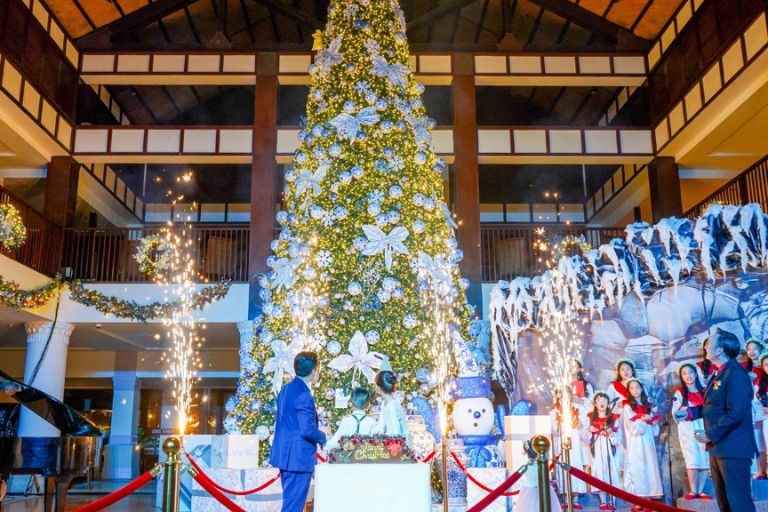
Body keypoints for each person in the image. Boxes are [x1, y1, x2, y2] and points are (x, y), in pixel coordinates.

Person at [695, 329, 757, 512]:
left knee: (739, 505)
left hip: (733, 449)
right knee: (726, 505)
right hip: (720, 448)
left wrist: (709, 434)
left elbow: (736, 413)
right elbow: (715, 405)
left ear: (720, 349)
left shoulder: (735, 374)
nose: (705, 346)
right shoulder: (721, 373)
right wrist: (690, 413)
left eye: (709, 343)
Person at [269, 352, 327, 512]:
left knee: (291, 504)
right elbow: (307, 430)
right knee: (293, 507)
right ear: (314, 370)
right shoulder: (304, 394)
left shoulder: (286, 389)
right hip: (298, 459)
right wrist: (323, 437)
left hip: (286, 456)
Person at [671, 363, 711, 499]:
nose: (688, 376)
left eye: (691, 372)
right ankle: (693, 490)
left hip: (703, 427)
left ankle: (701, 490)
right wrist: (681, 412)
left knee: (704, 457)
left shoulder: (704, 391)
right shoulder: (680, 392)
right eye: (685, 373)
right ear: (681, 377)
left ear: (695, 374)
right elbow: (675, 413)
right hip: (688, 429)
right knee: (692, 457)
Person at [622, 378, 663, 510]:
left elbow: (655, 431)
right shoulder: (627, 407)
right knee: (637, 468)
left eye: (637, 387)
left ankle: (648, 498)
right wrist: (642, 420)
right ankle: (639, 499)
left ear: (642, 388)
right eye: (632, 388)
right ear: (629, 391)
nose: (635, 390)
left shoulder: (648, 406)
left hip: (648, 441)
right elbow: (632, 428)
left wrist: (653, 423)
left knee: (649, 467)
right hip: (636, 442)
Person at [581, 391, 620, 511]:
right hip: (596, 448)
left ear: (608, 403)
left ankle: (613, 500)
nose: (601, 402)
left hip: (609, 447)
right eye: (598, 400)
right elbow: (586, 438)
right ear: (595, 403)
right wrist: (590, 430)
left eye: (604, 400)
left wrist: (611, 433)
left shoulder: (614, 418)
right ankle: (603, 501)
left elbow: (618, 439)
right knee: (599, 472)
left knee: (611, 471)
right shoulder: (590, 418)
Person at [513, 440, 563, 511]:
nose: (548, 454)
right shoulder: (539, 465)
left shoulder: (530, 463)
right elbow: (539, 479)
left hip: (529, 492)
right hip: (538, 492)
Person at [325, 387, 376, 451]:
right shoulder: (372, 422)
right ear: (368, 405)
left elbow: (336, 442)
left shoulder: (346, 421)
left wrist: (325, 446)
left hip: (348, 459)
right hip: (365, 458)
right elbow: (375, 443)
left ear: (351, 403)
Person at [374, 359, 412, 446]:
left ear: (379, 386)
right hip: (390, 443)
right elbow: (381, 425)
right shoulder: (384, 403)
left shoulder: (392, 404)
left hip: (399, 446)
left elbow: (396, 431)